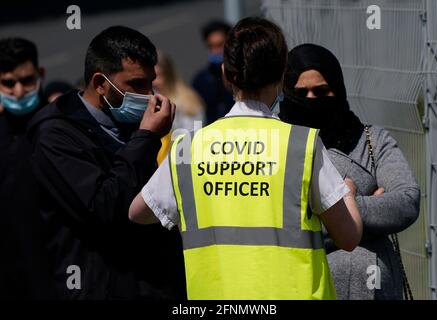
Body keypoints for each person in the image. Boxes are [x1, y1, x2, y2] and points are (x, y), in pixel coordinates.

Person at [129, 17, 362, 300]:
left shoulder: (188, 147)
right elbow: (349, 238)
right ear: (281, 74)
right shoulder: (301, 144)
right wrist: (347, 193)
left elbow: (139, 212)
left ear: (226, 73)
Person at [27, 26, 186, 300]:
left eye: (150, 82)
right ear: (100, 83)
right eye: (136, 84)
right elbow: (104, 207)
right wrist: (145, 138)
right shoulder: (55, 135)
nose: (148, 94)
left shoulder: (129, 122)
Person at [279, 43, 420, 300]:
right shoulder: (277, 144)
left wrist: (348, 206)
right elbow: (281, 224)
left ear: (338, 89)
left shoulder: (371, 140)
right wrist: (357, 213)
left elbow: (407, 202)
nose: (311, 100)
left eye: (321, 91)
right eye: (301, 93)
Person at [0, 37, 53, 299]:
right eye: (8, 83)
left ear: (40, 74)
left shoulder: (57, 124)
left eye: (27, 80)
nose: (19, 92)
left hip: (55, 261)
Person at [153, 50, 205, 164]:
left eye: (158, 76)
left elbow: (190, 143)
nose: (154, 83)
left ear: (169, 74)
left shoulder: (188, 102)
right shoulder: (149, 103)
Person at [192, 20, 234, 125]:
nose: (215, 51)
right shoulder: (200, 81)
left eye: (220, 45)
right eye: (211, 46)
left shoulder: (241, 77)